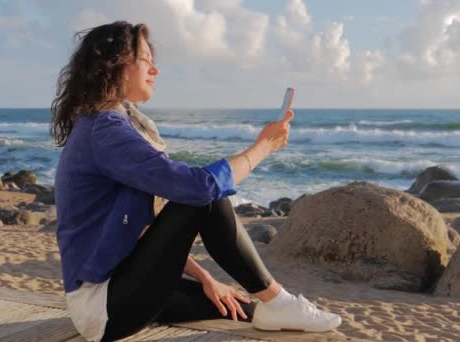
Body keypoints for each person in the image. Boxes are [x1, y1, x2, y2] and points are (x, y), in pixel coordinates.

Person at [51, 21, 342, 342]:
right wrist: (264, 146)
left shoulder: (104, 124)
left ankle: (271, 307)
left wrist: (205, 277)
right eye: (146, 59)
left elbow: (140, 231)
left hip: (118, 289)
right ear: (115, 62)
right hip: (102, 307)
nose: (155, 70)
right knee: (206, 197)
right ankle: (279, 299)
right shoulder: (105, 130)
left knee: (238, 306)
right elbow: (199, 189)